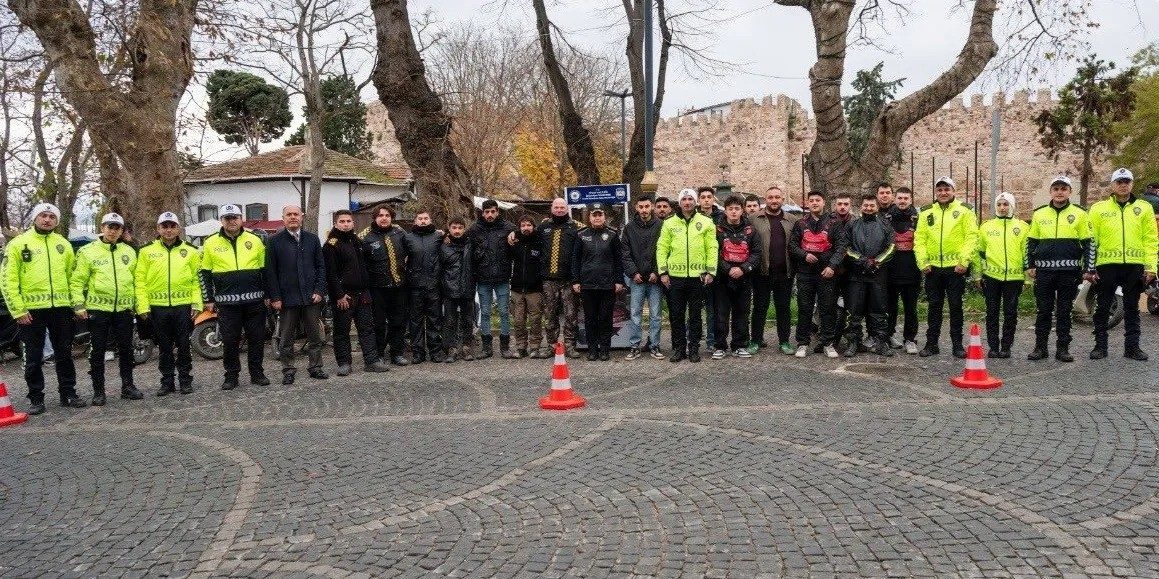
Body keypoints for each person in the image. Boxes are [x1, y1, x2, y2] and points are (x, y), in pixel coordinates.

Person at [5, 203, 81, 415]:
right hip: (31, 311)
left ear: (56, 221)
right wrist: (18, 310)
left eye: (51, 216)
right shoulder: (18, 244)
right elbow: (8, 280)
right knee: (33, 356)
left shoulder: (63, 244)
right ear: (35, 218)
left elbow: (72, 278)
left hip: (60, 309)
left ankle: (68, 393)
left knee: (64, 353)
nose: (47, 219)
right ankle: (36, 398)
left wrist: (76, 304)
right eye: (43, 215)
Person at [70, 212, 142, 405]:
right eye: (110, 227)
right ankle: (98, 391)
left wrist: (138, 305)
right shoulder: (87, 251)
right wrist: (78, 305)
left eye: (117, 228)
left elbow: (136, 281)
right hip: (98, 310)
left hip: (124, 309)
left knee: (126, 349)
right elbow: (77, 281)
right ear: (102, 228)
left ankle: (128, 386)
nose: (113, 231)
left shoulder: (129, 251)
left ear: (121, 231)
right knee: (98, 351)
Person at [1087, 168, 1158, 361]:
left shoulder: (1144, 208)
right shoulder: (1098, 209)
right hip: (1106, 265)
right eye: (1119, 182)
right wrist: (1089, 268)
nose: (1123, 185)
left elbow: (1151, 239)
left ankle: (1132, 348)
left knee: (1132, 309)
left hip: (1134, 266)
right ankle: (1100, 346)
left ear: (1132, 184)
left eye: (1127, 181)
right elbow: (1091, 240)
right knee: (1102, 307)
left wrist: (1151, 267)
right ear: (1113, 185)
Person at [200, 204, 271, 390]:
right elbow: (204, 273)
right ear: (221, 221)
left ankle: (257, 373)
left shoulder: (255, 240)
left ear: (241, 219)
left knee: (256, 339)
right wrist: (208, 299)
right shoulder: (210, 242)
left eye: (235, 217)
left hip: (254, 301)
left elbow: (265, 270)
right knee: (230, 341)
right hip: (227, 303)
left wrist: (268, 294)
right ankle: (231, 376)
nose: (231, 221)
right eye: (227, 218)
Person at [136, 211, 203, 395]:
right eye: (164, 226)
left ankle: (185, 380)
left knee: (184, 345)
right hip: (158, 308)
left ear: (178, 229)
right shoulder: (146, 251)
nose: (168, 230)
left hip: (183, 306)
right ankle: (167, 382)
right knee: (164, 347)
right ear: (158, 229)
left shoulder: (191, 251)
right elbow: (140, 281)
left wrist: (197, 304)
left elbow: (196, 280)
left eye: (172, 226)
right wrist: (142, 306)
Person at [1025, 176, 1089, 362]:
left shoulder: (1080, 214)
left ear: (1070, 192)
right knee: (1043, 311)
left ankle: (1063, 349)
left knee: (1064, 312)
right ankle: (1040, 348)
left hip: (1069, 273)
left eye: (1063, 188)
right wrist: (1030, 265)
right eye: (1056, 188)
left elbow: (1088, 244)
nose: (1059, 192)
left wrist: (1088, 268)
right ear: (1051, 192)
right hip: (1044, 272)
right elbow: (1031, 242)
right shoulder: (1039, 214)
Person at [914, 177, 978, 358]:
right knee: (934, 307)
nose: (943, 193)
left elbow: (972, 237)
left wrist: (964, 262)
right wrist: (923, 262)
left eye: (947, 189)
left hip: (955, 269)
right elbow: (920, 239)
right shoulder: (926, 212)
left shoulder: (965, 211)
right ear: (936, 192)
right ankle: (931, 344)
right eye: (940, 190)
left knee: (956, 307)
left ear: (953, 191)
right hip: (932, 269)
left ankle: (957, 345)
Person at [265, 205, 328, 385]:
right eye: (289, 214)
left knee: (315, 336)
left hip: (311, 297)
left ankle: (315, 367)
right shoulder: (274, 241)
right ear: (283, 218)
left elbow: (321, 267)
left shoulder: (312, 239)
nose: (293, 217)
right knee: (286, 338)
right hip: (287, 299)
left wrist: (319, 291)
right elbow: (270, 272)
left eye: (296, 214)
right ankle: (288, 370)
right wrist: (275, 297)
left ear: (302, 217)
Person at [324, 210, 389, 376]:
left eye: (348, 221)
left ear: (353, 223)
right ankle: (344, 363)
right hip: (344, 296)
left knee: (367, 329)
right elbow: (330, 274)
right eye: (342, 221)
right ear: (335, 224)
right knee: (342, 331)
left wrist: (367, 290)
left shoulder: (357, 241)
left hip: (363, 293)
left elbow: (365, 267)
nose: (346, 224)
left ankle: (371, 361)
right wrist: (339, 295)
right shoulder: (331, 245)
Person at [657, 189, 718, 363]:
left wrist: (711, 271)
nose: (687, 202)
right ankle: (679, 348)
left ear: (695, 201)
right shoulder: (669, 223)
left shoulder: (706, 221)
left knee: (695, 316)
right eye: (684, 199)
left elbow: (712, 247)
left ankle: (694, 349)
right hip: (675, 277)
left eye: (690, 198)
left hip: (698, 277)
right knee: (676, 315)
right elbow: (662, 248)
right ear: (679, 202)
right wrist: (663, 272)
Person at [789, 191, 845, 358]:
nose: (814, 203)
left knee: (827, 308)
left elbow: (841, 247)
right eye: (811, 200)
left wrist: (832, 266)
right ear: (808, 203)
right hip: (805, 273)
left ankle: (828, 343)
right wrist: (804, 255)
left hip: (826, 273)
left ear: (823, 202)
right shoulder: (800, 223)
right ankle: (802, 343)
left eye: (818, 200)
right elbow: (792, 246)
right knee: (804, 308)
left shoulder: (834, 223)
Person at [974, 192, 1029, 358]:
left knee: (1010, 313)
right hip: (992, 277)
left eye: (1006, 204)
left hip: (1014, 278)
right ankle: (993, 346)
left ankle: (1006, 346)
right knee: (992, 313)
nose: (1002, 208)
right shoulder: (986, 227)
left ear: (1012, 206)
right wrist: (978, 275)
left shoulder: (1023, 227)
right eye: (999, 204)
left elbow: (1027, 255)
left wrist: (1028, 279)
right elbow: (979, 253)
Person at [841, 194, 895, 357]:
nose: (869, 208)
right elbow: (846, 248)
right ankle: (854, 342)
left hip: (878, 275)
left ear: (877, 207)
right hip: (856, 275)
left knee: (879, 310)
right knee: (854, 311)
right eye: (866, 205)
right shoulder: (852, 225)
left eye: (872, 205)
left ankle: (881, 342)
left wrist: (876, 262)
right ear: (861, 206)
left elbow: (891, 247)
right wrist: (863, 261)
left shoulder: (886, 225)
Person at [570, 203, 624, 361]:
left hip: (607, 285)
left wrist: (619, 280)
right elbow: (575, 260)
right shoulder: (581, 235)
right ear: (590, 217)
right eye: (594, 215)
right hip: (587, 285)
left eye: (600, 214)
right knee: (590, 319)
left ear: (604, 217)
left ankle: (605, 349)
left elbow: (618, 260)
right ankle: (592, 350)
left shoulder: (612, 235)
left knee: (606, 318)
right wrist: (575, 280)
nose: (597, 217)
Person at [712, 195, 761, 359]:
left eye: (737, 209)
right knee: (721, 314)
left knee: (742, 314)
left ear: (742, 211)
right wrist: (727, 269)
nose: (734, 212)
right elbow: (713, 253)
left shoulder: (751, 231)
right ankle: (720, 346)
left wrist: (743, 269)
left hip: (744, 278)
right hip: (723, 279)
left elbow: (756, 253)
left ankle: (740, 345)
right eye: (730, 209)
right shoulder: (717, 230)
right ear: (725, 211)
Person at [751, 186, 798, 355]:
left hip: (784, 272)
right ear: (765, 200)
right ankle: (755, 340)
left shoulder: (792, 220)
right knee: (759, 308)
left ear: (782, 199)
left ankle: (784, 341)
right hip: (761, 272)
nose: (774, 200)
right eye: (770, 197)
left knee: (783, 308)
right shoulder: (754, 219)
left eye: (777, 197)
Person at [362, 205, 411, 366]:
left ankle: (397, 353)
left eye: (387, 215)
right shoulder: (365, 236)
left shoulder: (400, 233)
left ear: (391, 217)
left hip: (399, 286)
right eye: (381, 215)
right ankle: (379, 354)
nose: (384, 218)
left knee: (398, 321)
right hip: (377, 288)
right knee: (378, 323)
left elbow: (414, 246)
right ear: (375, 218)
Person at [469, 199, 517, 359]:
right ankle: (486, 347)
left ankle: (505, 347)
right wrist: (445, 235)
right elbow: (462, 241)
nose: (490, 214)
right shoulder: (475, 229)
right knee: (485, 313)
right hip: (483, 278)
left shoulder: (509, 227)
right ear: (482, 213)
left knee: (504, 312)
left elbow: (525, 235)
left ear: (497, 212)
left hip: (502, 277)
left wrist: (515, 234)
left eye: (492, 211)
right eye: (487, 212)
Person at [621, 194, 665, 360]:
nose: (644, 210)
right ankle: (634, 346)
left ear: (652, 207)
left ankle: (654, 345)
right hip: (637, 279)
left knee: (656, 315)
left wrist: (657, 272)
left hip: (655, 279)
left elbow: (664, 250)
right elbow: (625, 253)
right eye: (641, 207)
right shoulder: (629, 228)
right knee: (635, 314)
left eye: (647, 206)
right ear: (636, 208)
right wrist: (633, 273)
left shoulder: (661, 226)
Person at [537, 198, 581, 357]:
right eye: (556, 207)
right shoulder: (543, 227)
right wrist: (514, 233)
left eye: (562, 207)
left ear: (567, 209)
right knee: (550, 315)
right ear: (552, 208)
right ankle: (551, 346)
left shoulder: (576, 227)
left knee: (571, 315)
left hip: (569, 280)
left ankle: (570, 346)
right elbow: (527, 236)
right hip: (548, 280)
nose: (559, 210)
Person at [403, 210, 445, 363]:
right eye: (420, 218)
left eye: (426, 218)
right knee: (415, 321)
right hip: (414, 286)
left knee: (434, 319)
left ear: (430, 220)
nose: (423, 221)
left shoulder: (439, 237)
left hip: (434, 285)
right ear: (415, 221)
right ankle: (418, 352)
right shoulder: (407, 238)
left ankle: (435, 351)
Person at [885, 187, 921, 354]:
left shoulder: (918, 218)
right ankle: (889, 336)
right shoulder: (887, 218)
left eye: (906, 198)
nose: (902, 201)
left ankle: (910, 339)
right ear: (895, 199)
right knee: (890, 308)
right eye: (900, 198)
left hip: (912, 271)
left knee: (910, 309)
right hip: (890, 271)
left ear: (910, 200)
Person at [509, 215, 545, 359]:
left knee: (535, 320)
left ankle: (535, 347)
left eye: (529, 225)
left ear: (533, 227)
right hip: (517, 288)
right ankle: (521, 347)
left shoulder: (540, 241)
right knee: (518, 321)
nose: (526, 228)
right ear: (519, 227)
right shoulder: (514, 242)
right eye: (523, 225)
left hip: (535, 289)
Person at [440, 218, 475, 362]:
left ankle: (467, 348)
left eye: (460, 228)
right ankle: (451, 349)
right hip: (449, 289)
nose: (457, 231)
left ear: (464, 229)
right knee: (449, 321)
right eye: (454, 227)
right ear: (449, 228)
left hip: (467, 288)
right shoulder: (443, 245)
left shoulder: (470, 244)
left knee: (468, 320)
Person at [696, 186, 723, 351]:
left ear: (713, 199)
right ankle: (694, 339)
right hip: (697, 268)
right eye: (703, 197)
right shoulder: (694, 217)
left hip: (716, 268)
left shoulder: (721, 217)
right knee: (694, 308)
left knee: (713, 309)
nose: (706, 200)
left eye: (709, 197)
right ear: (699, 200)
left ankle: (712, 340)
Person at [829, 193, 855, 344]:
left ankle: (851, 336)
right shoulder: (828, 222)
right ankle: (826, 334)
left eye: (846, 204)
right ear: (835, 205)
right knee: (827, 304)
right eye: (840, 204)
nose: (843, 207)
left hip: (850, 270)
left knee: (851, 304)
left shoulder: (856, 223)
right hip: (831, 268)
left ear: (850, 205)